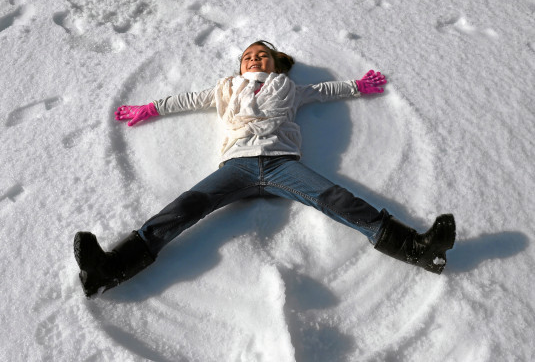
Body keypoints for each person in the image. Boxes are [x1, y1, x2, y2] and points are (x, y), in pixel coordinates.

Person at [74, 40, 456, 298]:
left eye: (263, 56)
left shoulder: (288, 88)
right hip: (236, 168)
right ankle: (108, 270)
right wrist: (150, 108)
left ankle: (418, 249)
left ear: (276, 64)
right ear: (240, 65)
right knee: (185, 206)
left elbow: (324, 90)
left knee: (336, 198)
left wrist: (356, 86)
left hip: (281, 165)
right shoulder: (226, 89)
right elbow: (188, 98)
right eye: (249, 57)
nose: (255, 60)